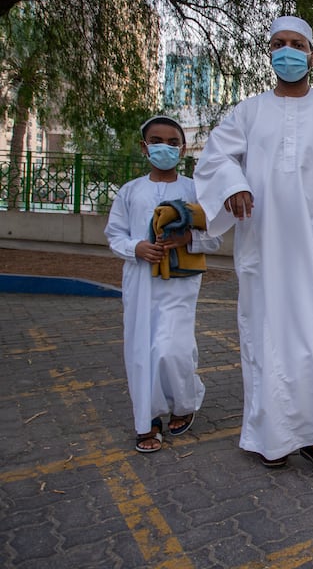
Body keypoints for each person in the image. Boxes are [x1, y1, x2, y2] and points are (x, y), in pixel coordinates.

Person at [193, 16, 313, 479]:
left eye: (298, 44)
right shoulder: (247, 112)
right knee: (267, 337)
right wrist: (234, 183)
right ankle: (271, 436)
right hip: (264, 242)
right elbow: (214, 158)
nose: (288, 51)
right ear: (269, 52)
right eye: (279, 43)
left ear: (312, 53)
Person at [105, 115, 222, 453]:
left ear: (183, 149)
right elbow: (115, 235)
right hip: (139, 280)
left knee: (171, 349)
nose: (165, 148)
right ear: (144, 148)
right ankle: (149, 419)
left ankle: (185, 401)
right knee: (142, 350)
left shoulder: (194, 190)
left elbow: (214, 238)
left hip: (180, 284)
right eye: (157, 141)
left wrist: (189, 238)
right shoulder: (131, 191)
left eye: (173, 143)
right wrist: (136, 248)